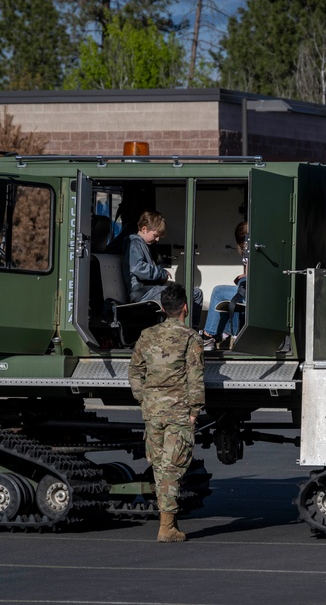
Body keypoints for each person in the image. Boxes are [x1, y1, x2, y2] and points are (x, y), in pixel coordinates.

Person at [128, 282, 205, 543]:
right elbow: (195, 376)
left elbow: (135, 372)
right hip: (178, 410)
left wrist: (144, 398)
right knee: (172, 466)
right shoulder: (190, 337)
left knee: (161, 465)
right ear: (185, 307)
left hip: (153, 411)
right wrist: (194, 410)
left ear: (162, 308)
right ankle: (167, 526)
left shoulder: (147, 335)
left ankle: (168, 522)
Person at [121, 210, 203, 326]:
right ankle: (190, 330)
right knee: (192, 293)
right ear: (144, 229)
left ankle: (192, 328)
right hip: (143, 292)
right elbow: (137, 268)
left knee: (196, 293)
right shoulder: (135, 244)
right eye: (156, 235)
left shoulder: (141, 244)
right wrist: (161, 273)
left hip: (149, 289)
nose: (157, 239)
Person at [201, 221, 248, 350]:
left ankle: (208, 335)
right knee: (235, 291)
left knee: (218, 292)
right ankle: (225, 334)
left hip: (257, 293)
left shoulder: (253, 248)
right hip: (252, 290)